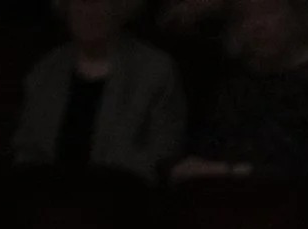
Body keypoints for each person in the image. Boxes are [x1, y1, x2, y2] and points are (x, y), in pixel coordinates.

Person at [166, 0, 308, 181]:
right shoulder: (236, 83)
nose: (257, 25)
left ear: (297, 14)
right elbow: (209, 149)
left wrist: (226, 172)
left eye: (269, 11)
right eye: (244, 17)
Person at [10, 0, 186, 179]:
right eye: (80, 3)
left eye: (101, 2)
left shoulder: (155, 71)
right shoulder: (45, 72)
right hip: (47, 198)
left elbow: (162, 157)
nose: (89, 11)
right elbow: (26, 151)